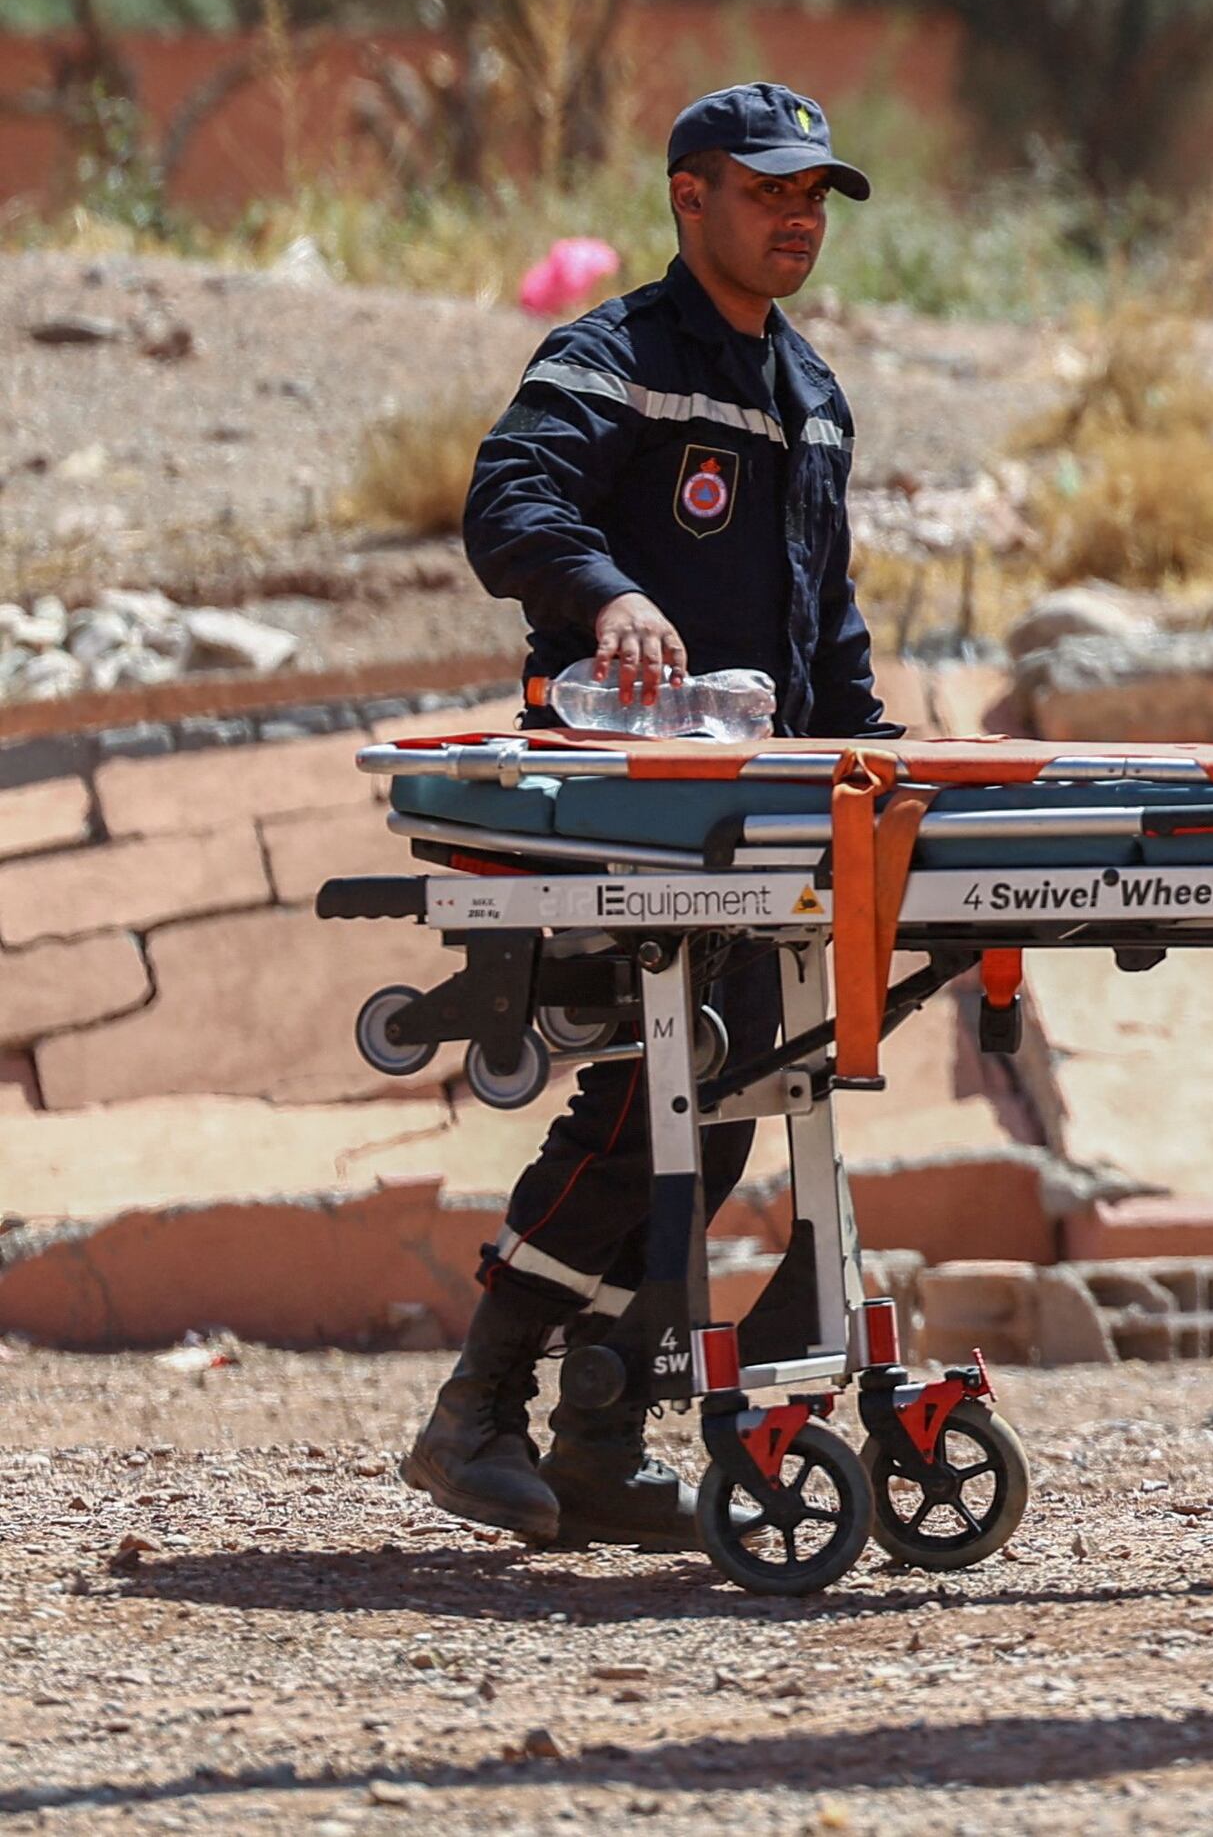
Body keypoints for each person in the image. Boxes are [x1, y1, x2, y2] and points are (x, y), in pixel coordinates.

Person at [408, 80, 894, 1552]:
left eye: (816, 195)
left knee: (723, 1119)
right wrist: (610, 594)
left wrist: (884, 765)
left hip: (770, 826)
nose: (799, 217)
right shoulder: (612, 357)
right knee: (643, 1099)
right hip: (630, 821)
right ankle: (476, 1410)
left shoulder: (813, 395)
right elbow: (510, 501)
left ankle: (601, 1443)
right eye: (770, 192)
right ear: (692, 199)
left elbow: (832, 631)